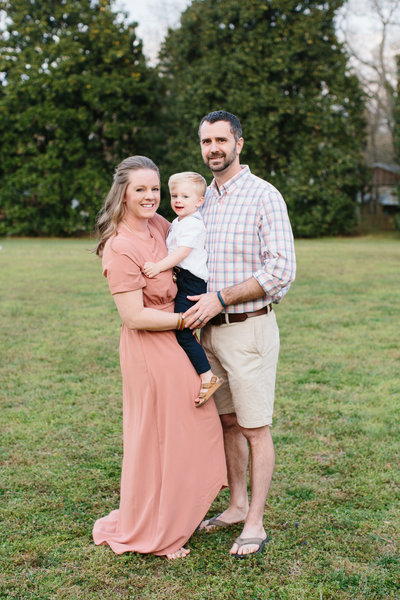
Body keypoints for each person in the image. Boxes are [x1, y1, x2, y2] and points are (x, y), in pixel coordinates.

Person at [92, 155, 226, 560]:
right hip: (150, 345)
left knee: (190, 429)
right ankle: (159, 530)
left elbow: (193, 248)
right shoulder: (119, 246)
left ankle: (176, 515)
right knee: (160, 436)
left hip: (176, 337)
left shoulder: (160, 226)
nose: (151, 196)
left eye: (155, 189)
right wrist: (187, 317)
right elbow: (133, 315)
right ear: (124, 193)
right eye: (141, 189)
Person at [184, 111, 296, 558]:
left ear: (239, 144)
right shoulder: (202, 200)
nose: (213, 148)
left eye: (221, 140)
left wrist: (222, 298)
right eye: (206, 141)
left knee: (254, 427)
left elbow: (282, 269)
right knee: (227, 422)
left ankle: (255, 523)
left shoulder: (263, 196)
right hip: (206, 334)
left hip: (247, 330)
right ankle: (235, 505)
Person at [143, 171, 222, 406]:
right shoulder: (179, 222)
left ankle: (208, 377)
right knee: (184, 331)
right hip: (183, 276)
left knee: (184, 332)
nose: (178, 200)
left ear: (199, 201)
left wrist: (157, 268)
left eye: (185, 196)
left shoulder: (193, 225)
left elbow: (181, 253)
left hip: (191, 281)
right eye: (174, 195)